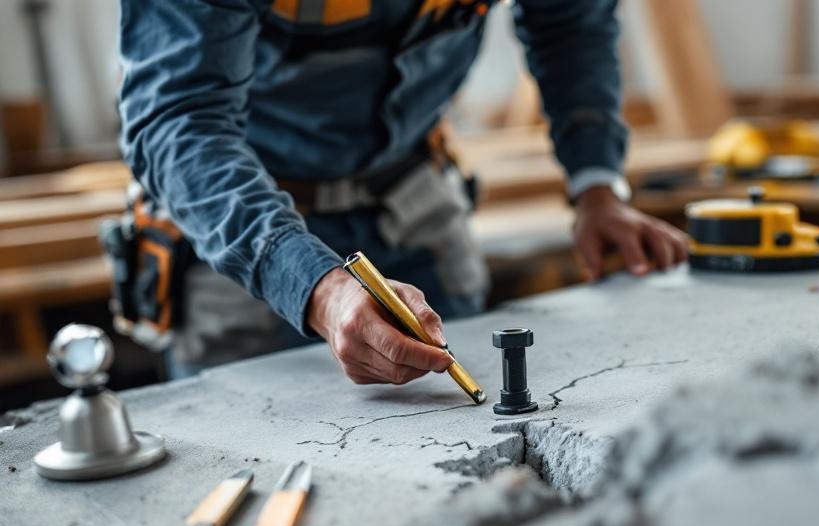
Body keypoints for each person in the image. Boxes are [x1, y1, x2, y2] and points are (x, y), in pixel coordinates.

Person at [119, 0, 687, 384]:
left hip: (413, 196)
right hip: (241, 226)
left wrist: (597, 186)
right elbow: (179, 122)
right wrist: (312, 286)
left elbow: (572, 23)